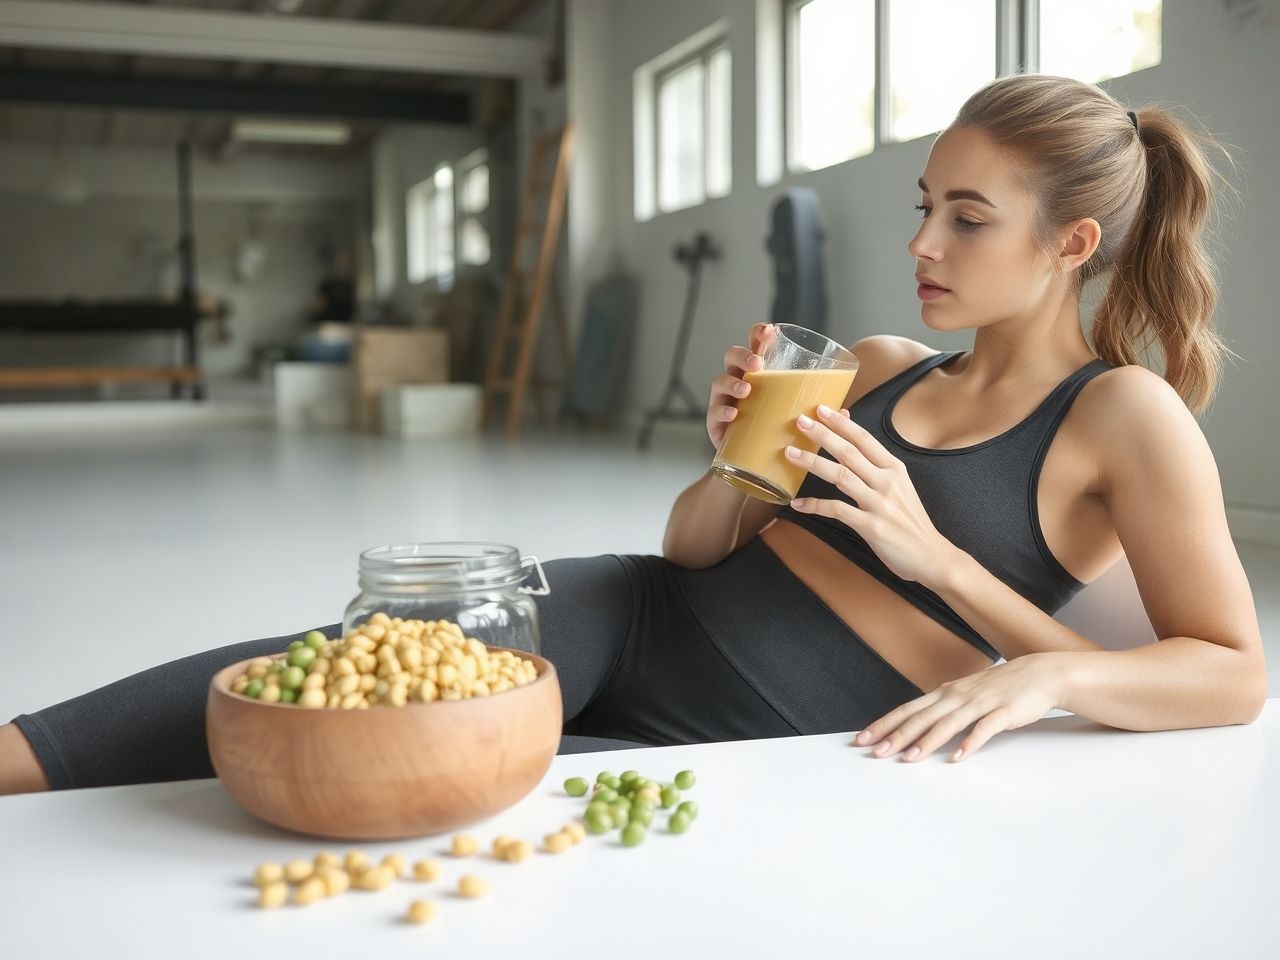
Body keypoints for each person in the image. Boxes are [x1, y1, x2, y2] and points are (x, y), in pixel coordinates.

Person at [0, 75, 1266, 795]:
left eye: (967, 219)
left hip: (763, 736)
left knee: (415, 788)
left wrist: (943, 569)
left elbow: (1229, 671)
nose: (921, 244)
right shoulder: (878, 366)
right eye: (924, 206)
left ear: (1070, 244)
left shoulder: (1120, 417)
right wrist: (730, 457)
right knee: (344, 669)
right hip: (638, 615)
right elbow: (699, 547)